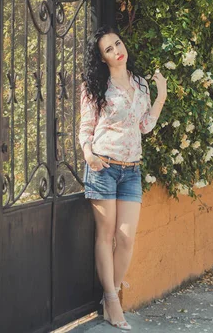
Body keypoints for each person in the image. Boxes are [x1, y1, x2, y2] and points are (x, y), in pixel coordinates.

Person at [79, 25, 167, 330]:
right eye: (109, 49)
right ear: (102, 58)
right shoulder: (97, 86)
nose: (118, 51)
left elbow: (143, 127)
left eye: (118, 44)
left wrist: (160, 97)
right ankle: (112, 301)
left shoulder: (140, 84)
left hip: (132, 169)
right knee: (106, 236)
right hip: (104, 166)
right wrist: (89, 154)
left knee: (126, 239)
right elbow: (86, 127)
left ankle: (111, 295)